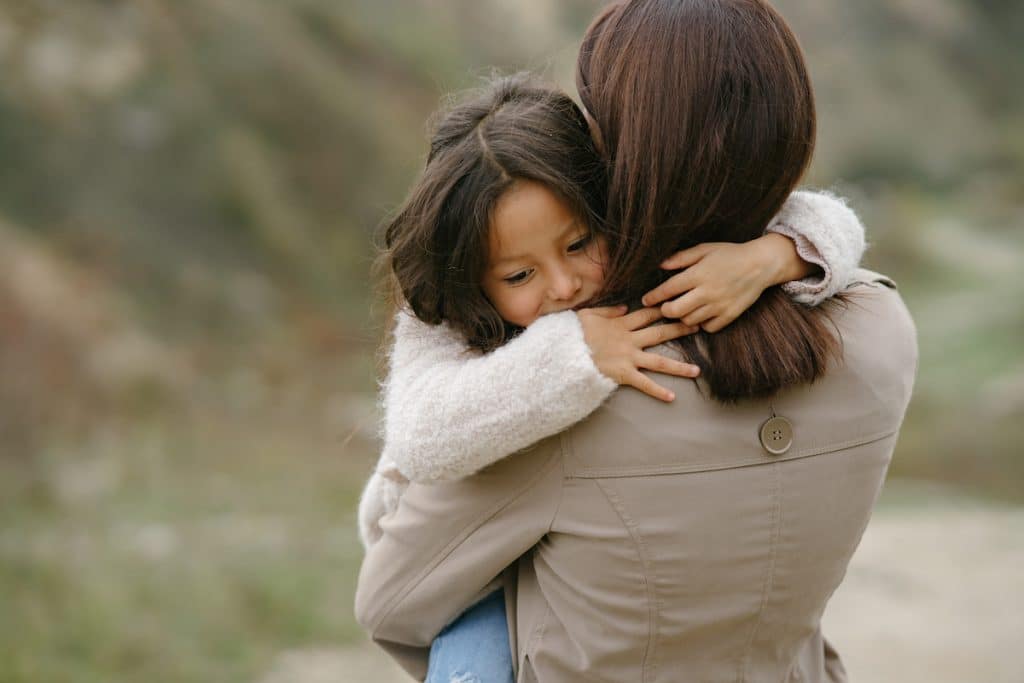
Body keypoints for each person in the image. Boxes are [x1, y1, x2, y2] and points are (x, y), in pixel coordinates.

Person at [356, 1, 917, 681]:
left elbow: (391, 602)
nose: (561, 286)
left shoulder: (582, 394)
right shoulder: (885, 328)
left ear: (622, 156)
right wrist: (779, 254)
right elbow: (823, 222)